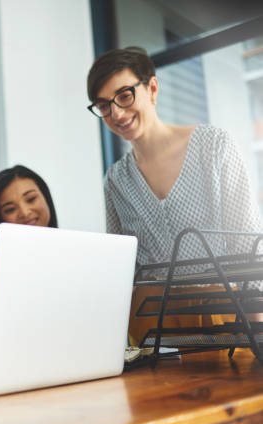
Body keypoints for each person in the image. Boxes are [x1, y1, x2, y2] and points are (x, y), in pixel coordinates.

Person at [86, 46, 262, 271]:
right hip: (153, 307)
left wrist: (253, 303)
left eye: (125, 96)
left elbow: (249, 243)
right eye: (104, 105)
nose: (117, 113)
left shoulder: (214, 145)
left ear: (152, 88)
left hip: (225, 303)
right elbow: (122, 267)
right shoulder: (115, 181)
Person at [0, 165, 58, 341]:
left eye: (31, 199)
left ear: (45, 198)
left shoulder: (77, 262)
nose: (25, 212)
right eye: (10, 209)